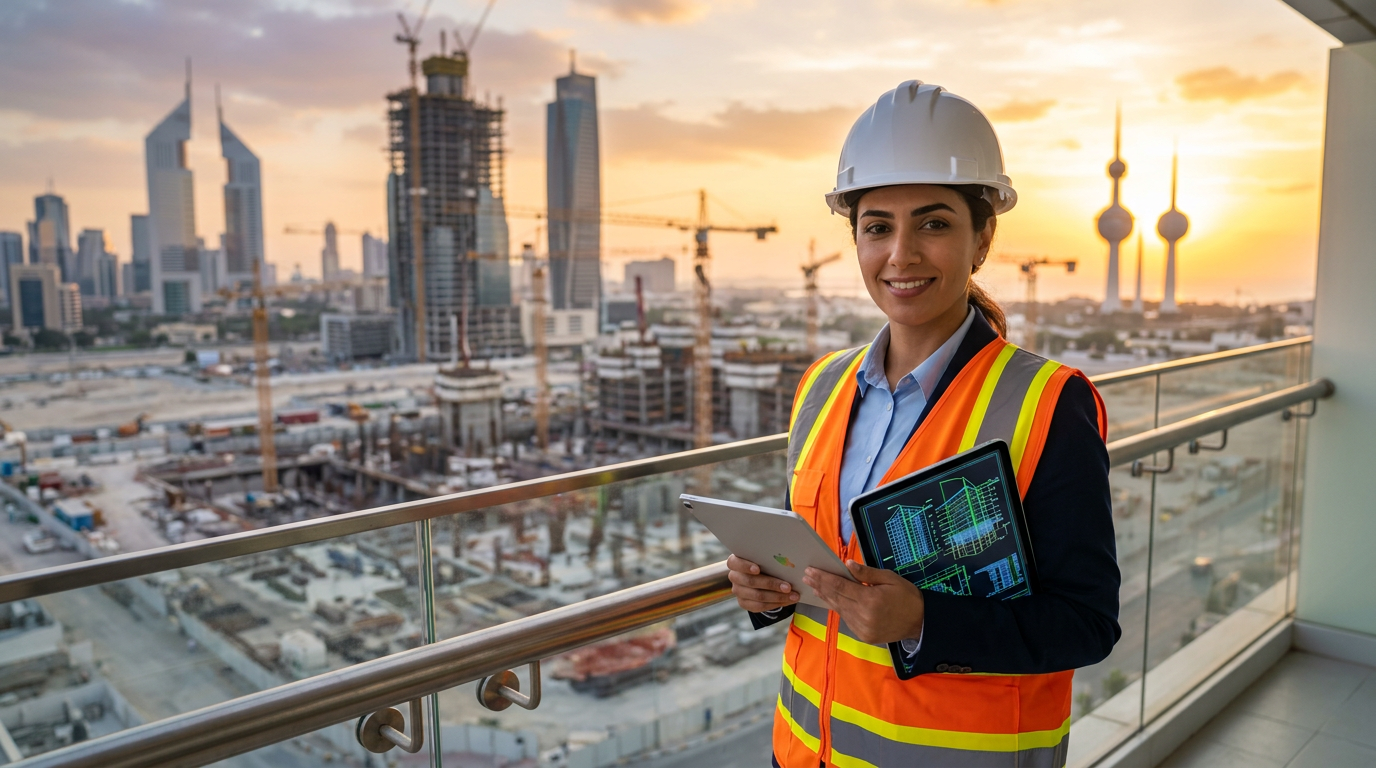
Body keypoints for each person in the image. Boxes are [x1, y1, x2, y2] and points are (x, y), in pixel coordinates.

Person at [726, 81, 1121, 768]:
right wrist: (768, 590)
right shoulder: (821, 387)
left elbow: (1086, 625)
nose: (900, 255)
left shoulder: (1046, 404)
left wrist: (925, 623)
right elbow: (822, 566)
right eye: (878, 226)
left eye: (933, 223)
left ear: (983, 237)